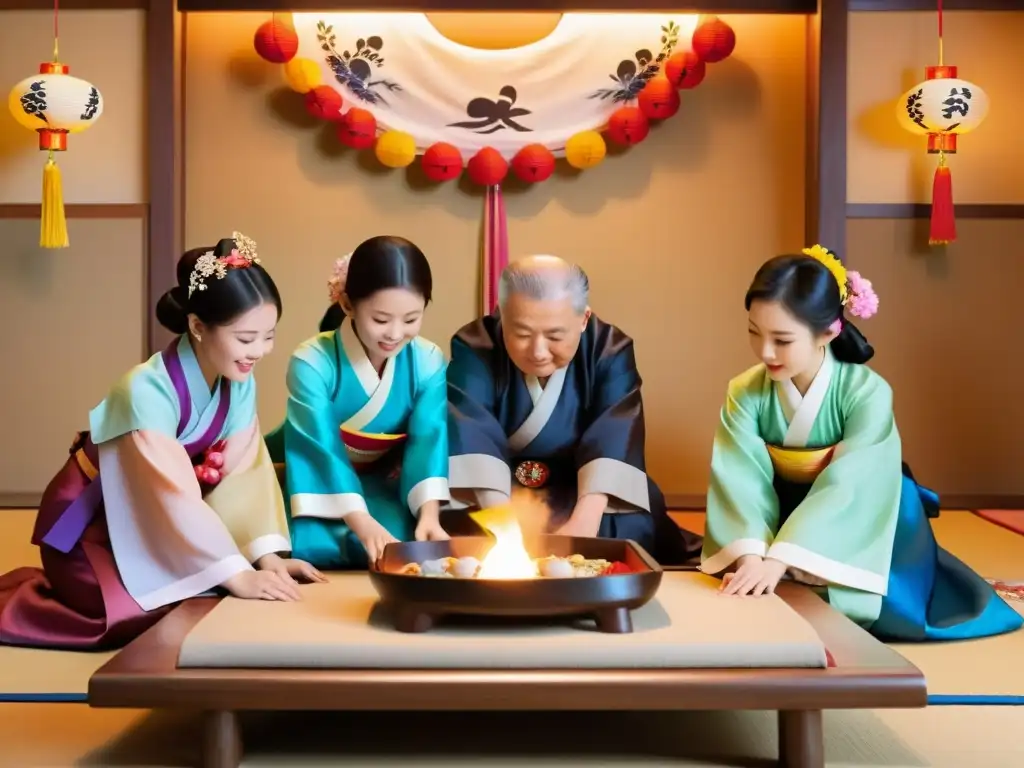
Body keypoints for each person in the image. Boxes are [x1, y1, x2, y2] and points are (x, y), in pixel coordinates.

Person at [0, 233, 325, 652]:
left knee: (200, 597)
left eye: (269, 335)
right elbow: (171, 495)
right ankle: (17, 607)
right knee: (131, 614)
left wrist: (265, 558)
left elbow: (244, 475)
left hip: (160, 522)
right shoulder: (144, 392)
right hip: (94, 524)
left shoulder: (237, 380)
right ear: (197, 326)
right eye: (246, 338)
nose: (259, 351)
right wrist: (236, 573)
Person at [701, 244, 1023, 641]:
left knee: (886, 609)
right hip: (774, 509)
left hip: (860, 511)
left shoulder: (866, 391)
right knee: (744, 586)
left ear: (829, 331)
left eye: (782, 340)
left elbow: (853, 480)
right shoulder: (745, 391)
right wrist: (753, 556)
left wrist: (780, 560)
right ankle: (779, 562)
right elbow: (741, 476)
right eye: (754, 332)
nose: (764, 351)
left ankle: (809, 569)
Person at [442, 255, 703, 565]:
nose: (538, 351)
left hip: (580, 488)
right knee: (454, 524)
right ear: (502, 315)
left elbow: (615, 434)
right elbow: (471, 430)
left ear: (583, 319)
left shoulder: (609, 349)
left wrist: (584, 525)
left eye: (554, 336)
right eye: (522, 334)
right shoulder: (475, 346)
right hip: (497, 491)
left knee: (630, 525)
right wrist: (504, 526)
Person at [264, 235, 449, 569]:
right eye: (380, 319)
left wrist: (430, 514)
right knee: (310, 544)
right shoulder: (313, 361)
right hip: (311, 477)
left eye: (411, 319)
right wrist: (360, 521)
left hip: (382, 480)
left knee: (399, 542)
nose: (394, 333)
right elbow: (318, 446)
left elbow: (428, 439)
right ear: (348, 305)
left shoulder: (427, 360)